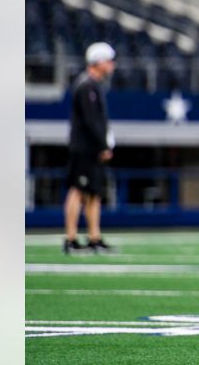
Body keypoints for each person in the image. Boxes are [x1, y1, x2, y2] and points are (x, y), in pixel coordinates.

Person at [63, 42, 117, 255]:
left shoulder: (93, 85)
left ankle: (94, 237)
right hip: (84, 148)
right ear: (98, 62)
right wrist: (103, 144)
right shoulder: (87, 86)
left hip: (91, 148)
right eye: (108, 61)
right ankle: (71, 238)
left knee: (93, 192)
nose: (112, 65)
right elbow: (91, 120)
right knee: (78, 190)